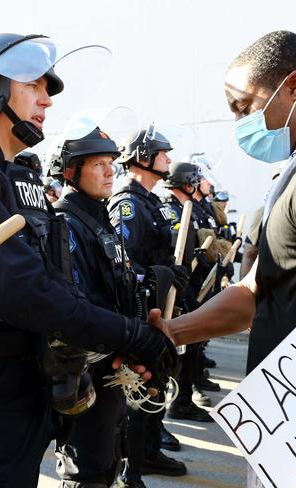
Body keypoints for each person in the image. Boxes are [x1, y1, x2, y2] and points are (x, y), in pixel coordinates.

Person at [0, 33, 176, 488]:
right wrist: (129, 334)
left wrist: (98, 349)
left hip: (33, 374)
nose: (47, 100)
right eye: (34, 85)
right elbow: (16, 289)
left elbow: (57, 280)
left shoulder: (17, 174)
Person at [151, 30, 296, 488]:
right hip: (293, 441)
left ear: (294, 85)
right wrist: (172, 332)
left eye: (245, 107)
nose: (242, 123)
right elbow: (258, 291)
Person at [49, 127, 139, 487]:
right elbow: (75, 302)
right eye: (98, 164)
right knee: (86, 467)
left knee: (109, 457)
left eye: (110, 163)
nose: (109, 171)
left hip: (113, 360)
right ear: (71, 172)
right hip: (85, 368)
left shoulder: (98, 217)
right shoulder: (65, 222)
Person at [107, 128, 188, 486]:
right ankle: (131, 469)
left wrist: (172, 273)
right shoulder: (127, 202)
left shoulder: (150, 201)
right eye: (162, 153)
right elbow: (122, 264)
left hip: (158, 309)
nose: (169, 159)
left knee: (158, 382)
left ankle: (150, 451)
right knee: (137, 395)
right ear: (143, 156)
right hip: (140, 312)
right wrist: (158, 276)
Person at [160, 162, 216, 423]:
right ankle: (179, 402)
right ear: (187, 183)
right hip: (178, 292)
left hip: (192, 288)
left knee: (192, 349)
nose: (202, 183)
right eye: (198, 179)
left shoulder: (189, 210)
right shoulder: (172, 212)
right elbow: (172, 253)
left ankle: (183, 400)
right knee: (178, 353)